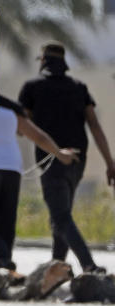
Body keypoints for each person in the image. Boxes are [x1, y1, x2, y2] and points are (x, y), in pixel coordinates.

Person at [18, 43, 115, 273]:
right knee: (61, 215)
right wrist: (110, 162)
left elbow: (22, 126)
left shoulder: (32, 88)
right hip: (77, 162)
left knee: (60, 217)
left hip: (52, 160)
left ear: (43, 61)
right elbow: (95, 126)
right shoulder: (79, 88)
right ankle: (57, 266)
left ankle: (89, 266)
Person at [0, 94, 79, 271]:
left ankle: (1, 258)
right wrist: (60, 154)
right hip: (12, 168)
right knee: (7, 222)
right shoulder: (10, 110)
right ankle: (5, 267)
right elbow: (39, 137)